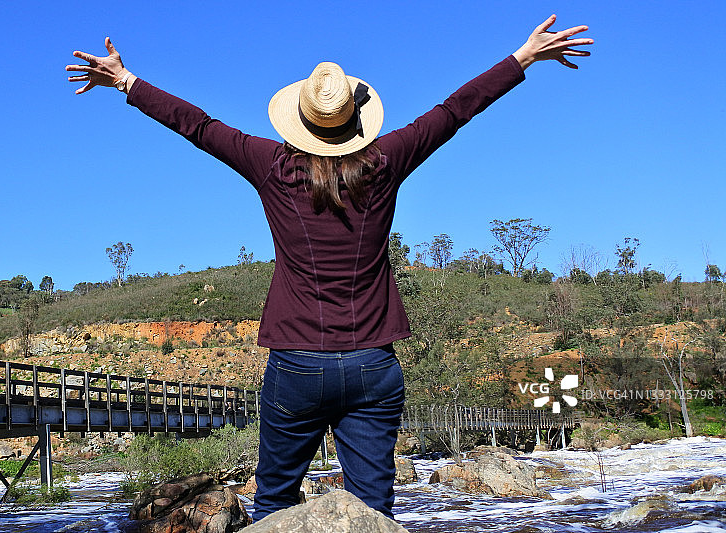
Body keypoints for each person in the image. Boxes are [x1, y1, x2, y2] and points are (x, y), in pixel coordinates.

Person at [67, 14, 592, 520]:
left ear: (299, 120)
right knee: (373, 512)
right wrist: (522, 57)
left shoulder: (272, 166)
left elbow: (198, 126)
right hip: (372, 365)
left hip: (297, 364)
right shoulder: (386, 162)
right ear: (357, 122)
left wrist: (126, 81)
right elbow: (454, 111)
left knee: (274, 501)